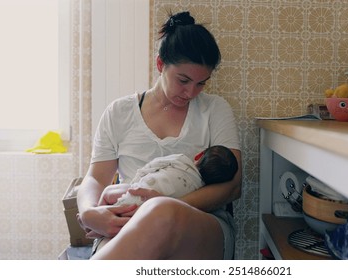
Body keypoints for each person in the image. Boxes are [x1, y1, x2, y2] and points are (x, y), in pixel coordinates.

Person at [76, 10, 242, 260]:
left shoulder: (215, 110)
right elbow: (95, 178)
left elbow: (232, 186)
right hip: (128, 221)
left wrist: (160, 205)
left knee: (161, 210)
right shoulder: (119, 112)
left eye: (201, 83)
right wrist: (88, 212)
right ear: (160, 65)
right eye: (183, 80)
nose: (190, 92)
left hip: (202, 225)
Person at [105, 145, 238, 206]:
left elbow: (154, 165)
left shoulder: (181, 159)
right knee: (123, 215)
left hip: (142, 188)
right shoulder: (197, 191)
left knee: (109, 194)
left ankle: (96, 223)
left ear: (199, 155)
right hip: (151, 209)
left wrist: (136, 181)